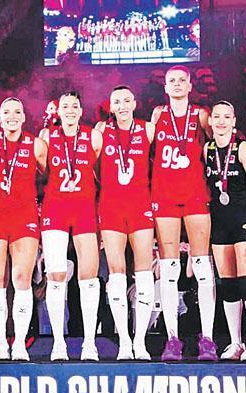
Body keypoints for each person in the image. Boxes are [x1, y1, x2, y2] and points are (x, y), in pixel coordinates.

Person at [150, 66, 216, 361]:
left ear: (190, 85)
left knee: (202, 267)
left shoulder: (201, 115)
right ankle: (172, 339)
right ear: (165, 87)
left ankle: (208, 339)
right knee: (169, 269)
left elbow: (218, 144)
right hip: (164, 196)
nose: (177, 84)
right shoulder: (158, 115)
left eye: (182, 80)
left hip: (195, 194)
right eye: (171, 81)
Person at [38, 91, 103, 361]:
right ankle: (58, 344)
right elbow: (42, 171)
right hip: (55, 209)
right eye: (65, 106)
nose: (70, 110)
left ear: (81, 110)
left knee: (88, 277)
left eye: (75, 106)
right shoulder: (46, 136)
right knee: (56, 277)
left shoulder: (93, 136)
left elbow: (99, 170)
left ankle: (89, 343)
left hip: (84, 209)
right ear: (59, 110)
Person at [94, 85, 156, 361]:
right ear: (111, 107)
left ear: (134, 103)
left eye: (126, 100)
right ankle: (124, 341)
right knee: (116, 272)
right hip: (111, 206)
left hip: (140, 205)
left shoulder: (148, 129)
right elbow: (93, 168)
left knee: (143, 272)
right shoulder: (101, 131)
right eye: (116, 101)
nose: (121, 106)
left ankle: (140, 341)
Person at [0, 98, 47, 361]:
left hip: (24, 217)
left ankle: (19, 343)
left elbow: (48, 178)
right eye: (6, 111)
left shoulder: (36, 145)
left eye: (17, 112)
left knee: (21, 278)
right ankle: (0, 343)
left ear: (24, 117)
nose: (12, 116)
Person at [204, 101, 246, 362]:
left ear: (234, 121)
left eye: (226, 117)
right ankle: (235, 342)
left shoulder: (244, 148)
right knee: (228, 284)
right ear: (210, 121)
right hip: (220, 223)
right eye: (217, 116)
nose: (221, 121)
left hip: (245, 221)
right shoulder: (208, 150)